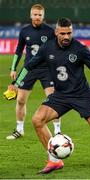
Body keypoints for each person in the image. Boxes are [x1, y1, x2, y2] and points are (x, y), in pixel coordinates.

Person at [14, 18, 90, 176]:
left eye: (69, 33)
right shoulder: (46, 48)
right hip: (60, 96)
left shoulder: (81, 49)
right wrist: (16, 83)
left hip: (82, 96)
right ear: (56, 32)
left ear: (72, 32)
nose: (66, 36)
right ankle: (54, 160)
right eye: (62, 33)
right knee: (37, 120)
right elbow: (28, 65)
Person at [6, 4, 61, 140]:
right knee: (20, 100)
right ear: (31, 15)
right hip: (29, 69)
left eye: (40, 15)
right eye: (35, 14)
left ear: (43, 16)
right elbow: (18, 50)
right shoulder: (24, 31)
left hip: (46, 70)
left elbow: (57, 50)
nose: (37, 17)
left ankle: (58, 131)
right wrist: (13, 68)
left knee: (54, 100)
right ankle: (19, 129)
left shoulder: (50, 32)